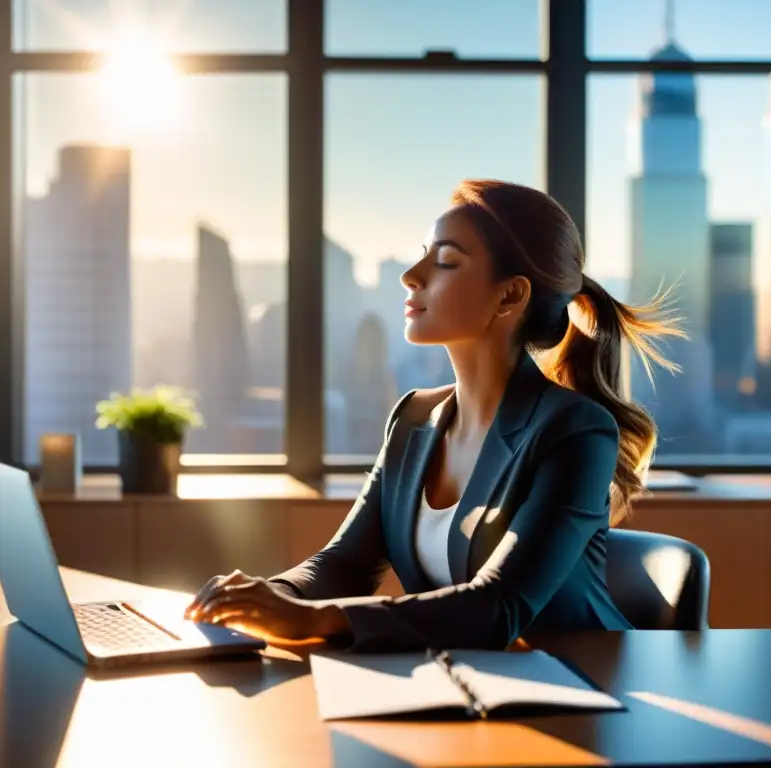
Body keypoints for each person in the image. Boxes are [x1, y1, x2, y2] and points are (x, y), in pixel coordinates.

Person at [185, 180, 684, 652]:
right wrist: (267, 597)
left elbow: (498, 605)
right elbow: (345, 564)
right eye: (423, 254)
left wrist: (316, 620)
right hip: (465, 685)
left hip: (582, 692)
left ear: (510, 295)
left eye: (445, 261)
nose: (411, 275)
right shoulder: (413, 419)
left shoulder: (575, 430)